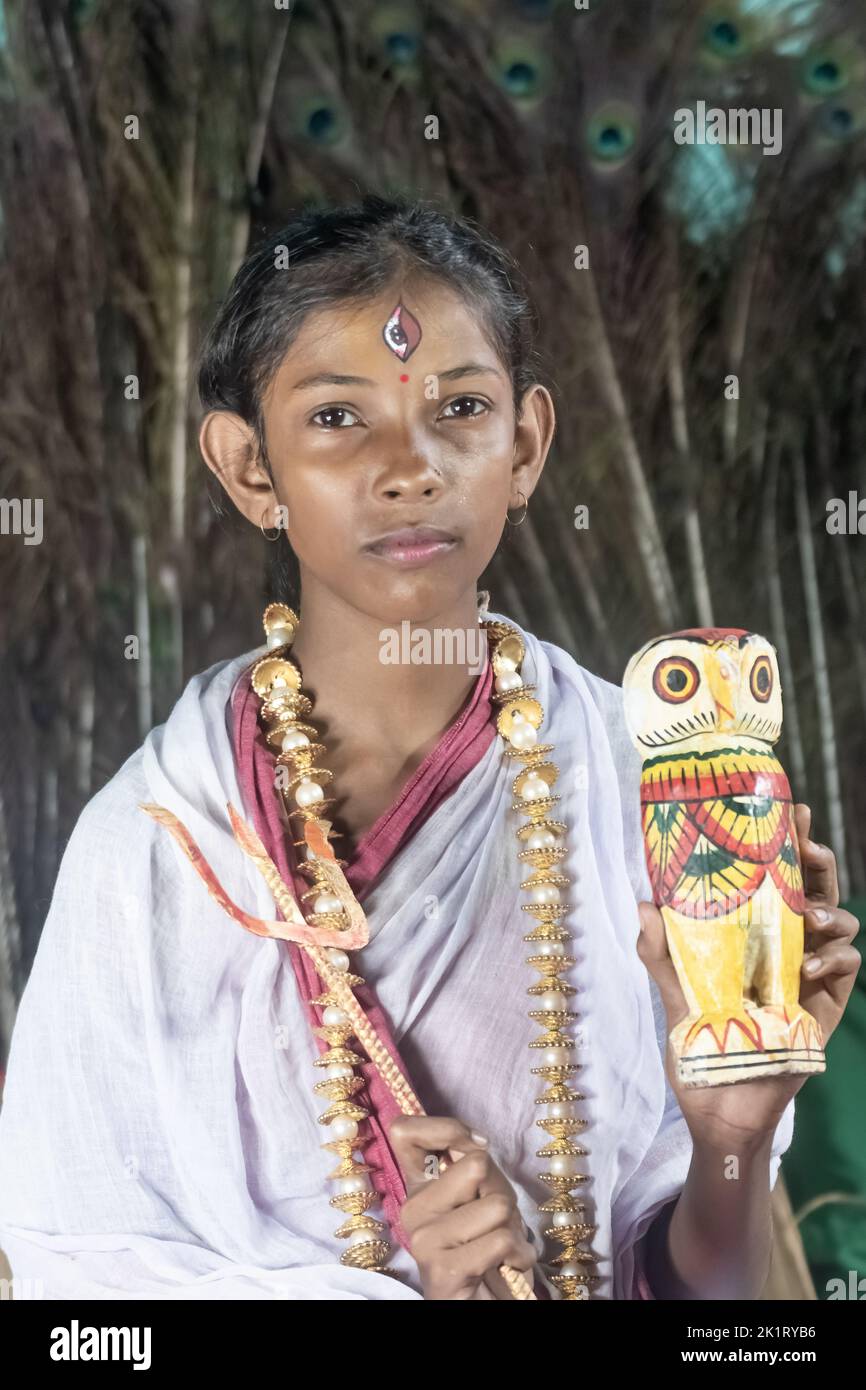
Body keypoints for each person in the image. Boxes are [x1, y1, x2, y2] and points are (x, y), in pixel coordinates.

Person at [0, 197, 859, 1301]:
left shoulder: (643, 788)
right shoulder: (155, 851)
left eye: (458, 406)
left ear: (526, 444)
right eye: (335, 419)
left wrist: (731, 1130)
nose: (409, 466)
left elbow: (714, 1301)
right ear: (247, 467)